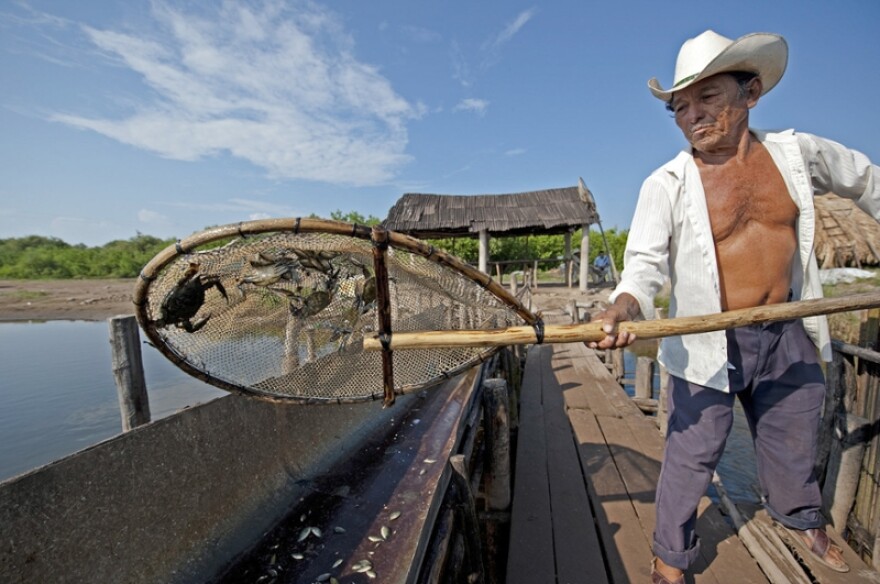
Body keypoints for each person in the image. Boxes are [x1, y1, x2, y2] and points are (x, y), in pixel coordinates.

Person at [590, 29, 879, 583]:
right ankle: (670, 555)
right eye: (680, 107)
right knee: (692, 452)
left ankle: (800, 519)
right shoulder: (667, 183)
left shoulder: (797, 155)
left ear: (750, 93)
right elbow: (643, 265)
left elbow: (865, 180)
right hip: (706, 341)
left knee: (793, 437)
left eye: (708, 98)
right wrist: (623, 307)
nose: (692, 116)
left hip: (787, 327)